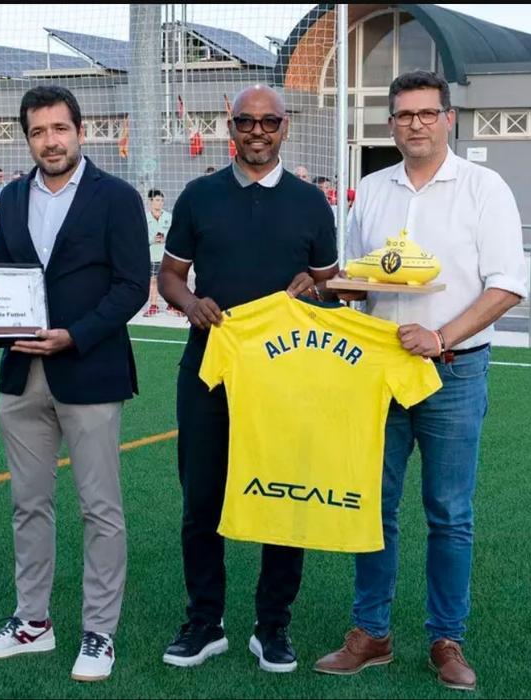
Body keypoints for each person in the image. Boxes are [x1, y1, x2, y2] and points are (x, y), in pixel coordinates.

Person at [314, 70, 527, 692]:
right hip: (379, 373)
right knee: (373, 507)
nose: (416, 124)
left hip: (453, 371)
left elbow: (507, 285)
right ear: (391, 123)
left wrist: (442, 337)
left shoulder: (485, 188)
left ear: (448, 118)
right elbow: (358, 280)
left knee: (449, 511)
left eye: (427, 113)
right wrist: (332, 292)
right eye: (405, 114)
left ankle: (445, 638)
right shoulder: (373, 191)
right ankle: (371, 633)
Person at [0, 86, 148, 683]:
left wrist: (75, 335)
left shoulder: (116, 197)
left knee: (101, 509)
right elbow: (1, 274)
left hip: (89, 369)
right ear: (28, 138)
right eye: (39, 131)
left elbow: (132, 286)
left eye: (59, 128)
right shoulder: (13, 196)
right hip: (22, 375)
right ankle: (32, 624)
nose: (51, 140)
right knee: (27, 504)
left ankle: (99, 633)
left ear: (79, 131)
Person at [157, 84, 338, 674]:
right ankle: (204, 622)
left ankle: (273, 626)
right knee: (201, 500)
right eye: (245, 121)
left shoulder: (313, 204)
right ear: (228, 127)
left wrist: (316, 289)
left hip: (288, 380)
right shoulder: (198, 196)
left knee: (282, 499)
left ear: (286, 127)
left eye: (268, 122)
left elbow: (333, 288)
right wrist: (192, 304)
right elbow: (170, 277)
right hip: (210, 371)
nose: (257, 131)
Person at [144, 189, 171, 317]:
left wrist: (165, 238)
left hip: (166, 255)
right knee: (153, 280)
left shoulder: (168, 217)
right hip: (152, 255)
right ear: (150, 201)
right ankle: (153, 305)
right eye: (157, 200)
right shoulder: (145, 218)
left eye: (161, 200)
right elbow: (141, 238)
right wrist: (152, 239)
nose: (160, 203)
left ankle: (172, 305)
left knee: (169, 280)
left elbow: (174, 235)